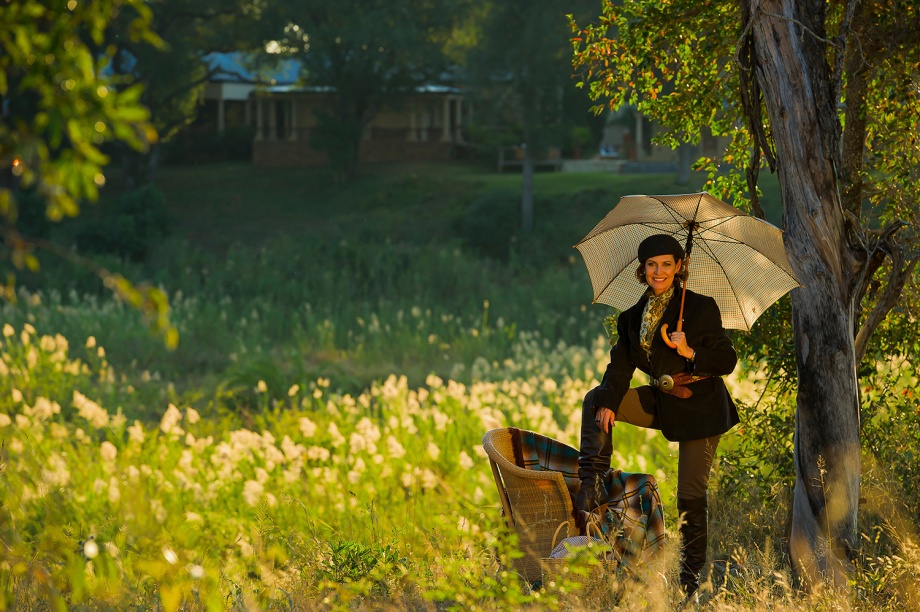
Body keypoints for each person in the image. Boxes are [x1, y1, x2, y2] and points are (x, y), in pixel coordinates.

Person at [575, 233, 739, 600]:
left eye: (667, 264)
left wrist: (689, 349)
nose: (659, 271)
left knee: (690, 497)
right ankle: (592, 485)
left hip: (700, 406)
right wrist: (609, 401)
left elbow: (727, 360)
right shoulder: (633, 317)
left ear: (679, 268)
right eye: (652, 265)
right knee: (594, 400)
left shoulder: (700, 307)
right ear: (642, 269)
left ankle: (690, 585)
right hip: (662, 400)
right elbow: (620, 368)